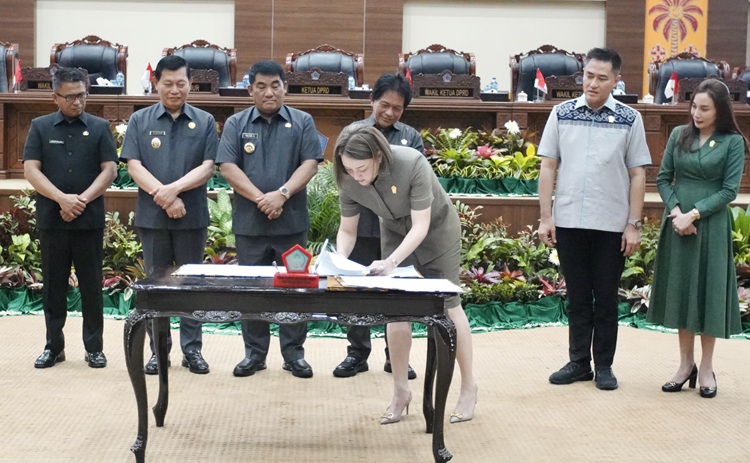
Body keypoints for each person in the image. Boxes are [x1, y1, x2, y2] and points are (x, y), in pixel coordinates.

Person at [333, 124, 478, 424]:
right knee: (396, 310)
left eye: (362, 169)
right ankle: (400, 390)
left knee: (450, 307)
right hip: (395, 234)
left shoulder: (412, 162)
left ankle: (468, 386)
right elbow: (347, 230)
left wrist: (391, 262)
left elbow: (421, 226)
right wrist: (339, 261)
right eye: (349, 169)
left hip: (437, 233)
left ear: (378, 156)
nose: (356, 176)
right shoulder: (348, 179)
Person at [537, 47, 651, 391]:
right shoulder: (561, 113)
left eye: (602, 78)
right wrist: (545, 217)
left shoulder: (630, 118)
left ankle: (603, 365)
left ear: (616, 81)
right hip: (569, 220)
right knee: (577, 297)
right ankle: (578, 362)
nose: (593, 83)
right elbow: (548, 166)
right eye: (589, 76)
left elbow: (638, 174)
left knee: (605, 298)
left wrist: (633, 224)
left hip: (611, 225)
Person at [217, 60, 322, 379]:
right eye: (261, 86)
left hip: (291, 223)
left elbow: (310, 163)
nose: (269, 92)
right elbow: (227, 167)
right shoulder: (236, 123)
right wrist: (262, 199)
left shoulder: (303, 121)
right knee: (252, 290)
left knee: (295, 289)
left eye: (275, 85)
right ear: (250, 90)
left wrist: (282, 194)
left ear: (285, 88)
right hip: (251, 224)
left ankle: (294, 355)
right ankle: (254, 354)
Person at [647, 78, 747, 399]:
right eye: (694, 107)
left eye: (705, 109)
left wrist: (694, 214)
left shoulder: (733, 142)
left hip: (710, 224)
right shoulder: (679, 134)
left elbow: (729, 191)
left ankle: (706, 367)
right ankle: (685, 364)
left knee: (707, 292)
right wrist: (678, 213)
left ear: (720, 111)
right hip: (677, 223)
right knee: (682, 290)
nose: (696, 114)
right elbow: (664, 179)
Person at [120, 55, 218, 375]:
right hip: (153, 218)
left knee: (191, 285)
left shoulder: (204, 121)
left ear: (190, 84)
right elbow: (134, 166)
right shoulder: (140, 120)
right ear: (156, 83)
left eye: (181, 83)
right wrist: (164, 198)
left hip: (191, 216)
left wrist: (172, 191)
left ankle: (193, 350)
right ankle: (158, 350)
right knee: (157, 286)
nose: (175, 90)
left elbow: (208, 167)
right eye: (168, 83)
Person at [23, 67, 118, 369]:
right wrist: (61, 199)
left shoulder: (100, 127)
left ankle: (94, 347)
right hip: (53, 218)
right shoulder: (40, 127)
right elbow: (31, 170)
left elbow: (110, 170)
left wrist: (81, 200)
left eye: (82, 95)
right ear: (55, 97)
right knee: (53, 285)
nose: (77, 101)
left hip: (88, 219)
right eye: (70, 96)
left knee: (91, 285)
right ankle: (54, 347)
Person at [333, 73, 424, 380]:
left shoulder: (410, 137)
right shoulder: (353, 133)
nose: (389, 112)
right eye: (384, 104)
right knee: (357, 292)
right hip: (361, 225)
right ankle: (356, 354)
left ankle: (395, 357)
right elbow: (346, 181)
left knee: (395, 294)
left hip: (397, 231)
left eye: (397, 108)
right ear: (372, 100)